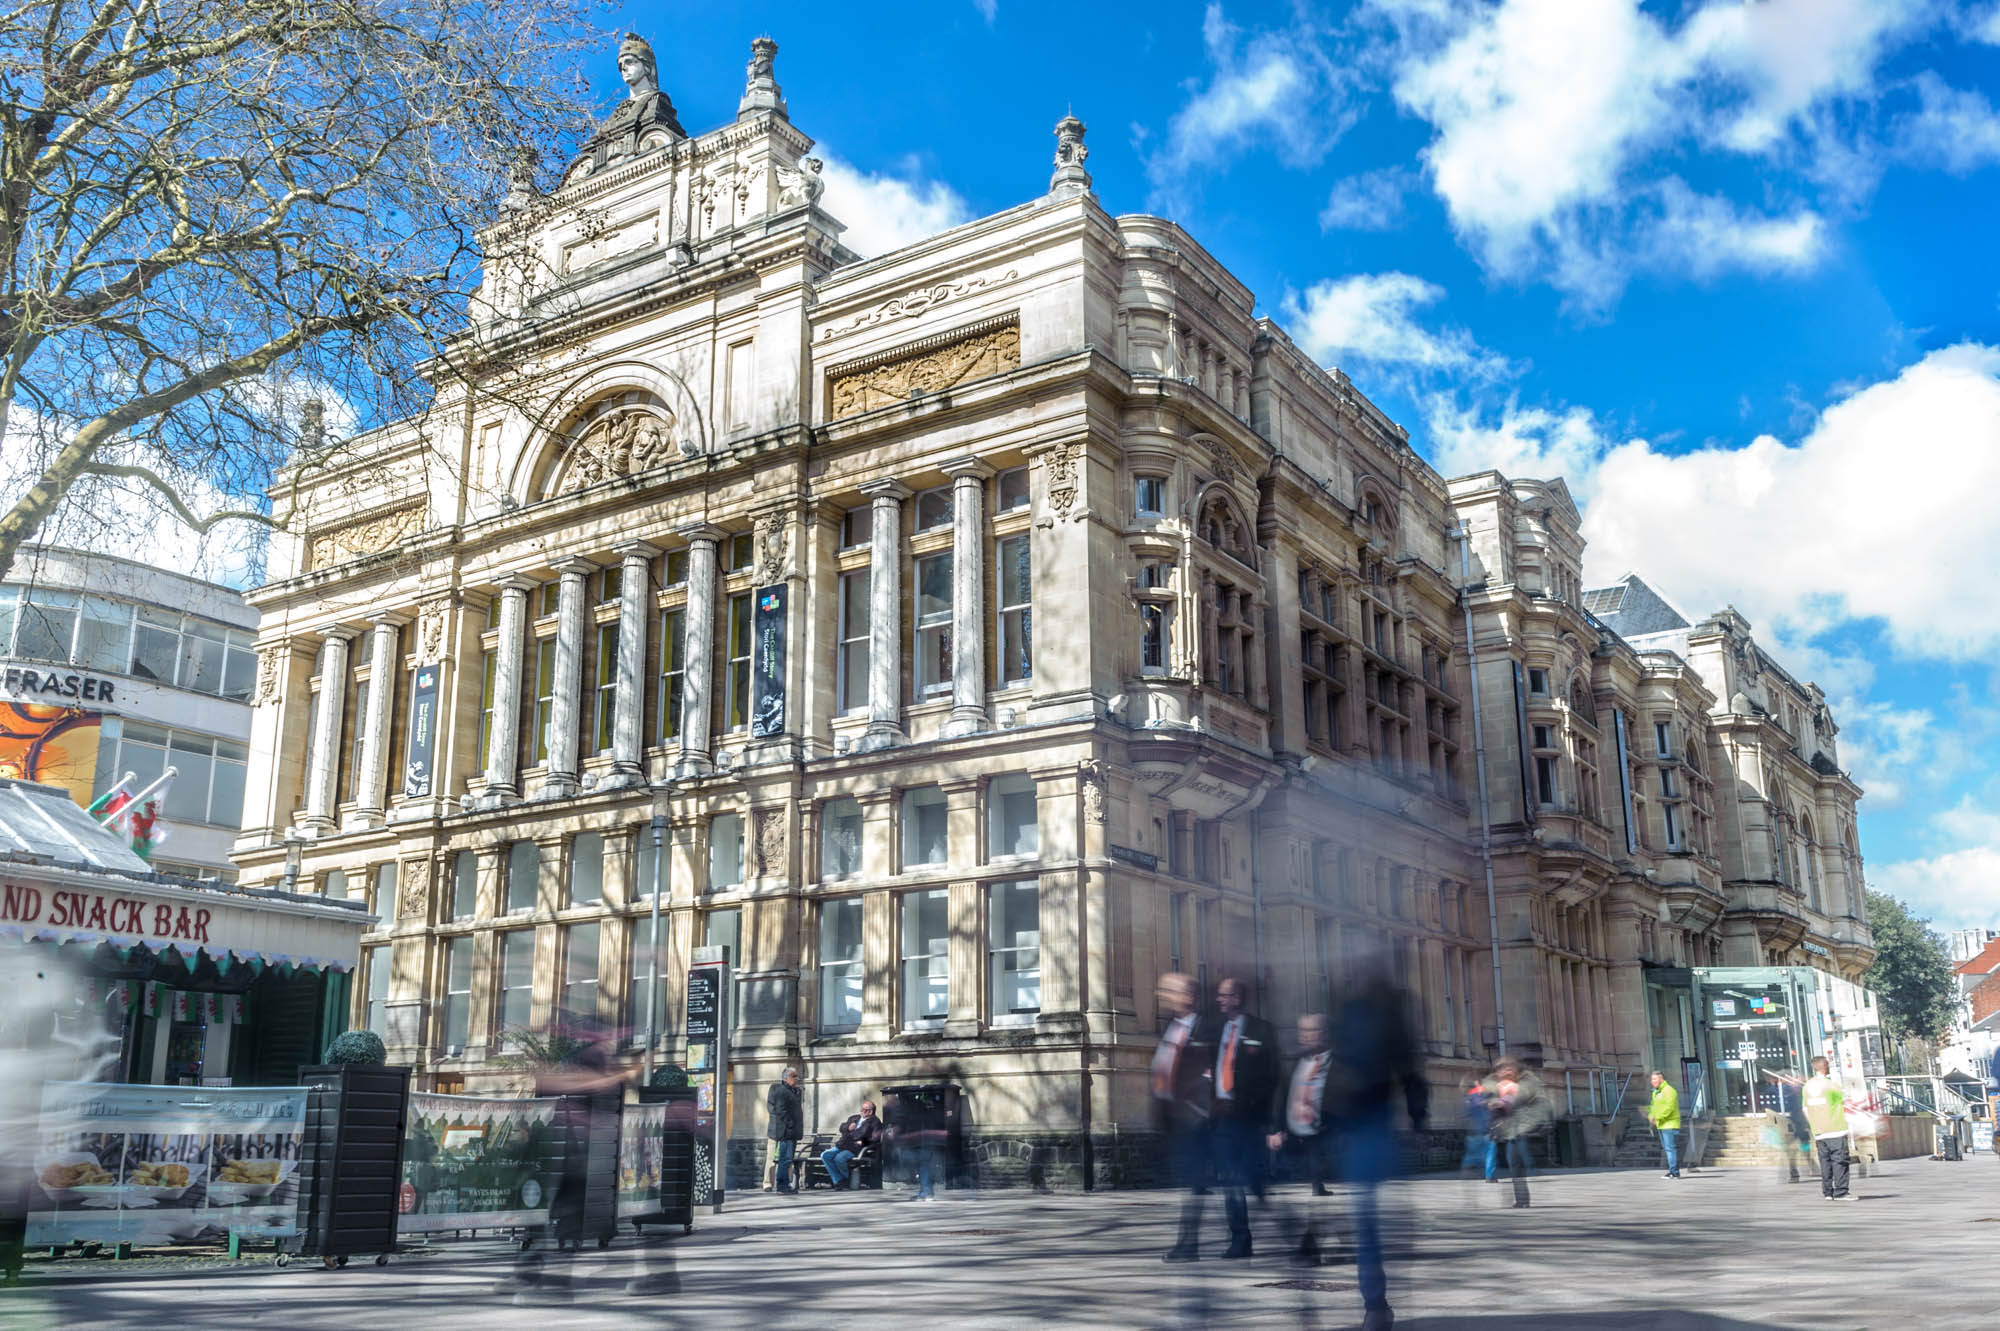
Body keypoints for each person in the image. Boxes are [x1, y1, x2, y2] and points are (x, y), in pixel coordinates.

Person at [1301, 968, 1429, 1331]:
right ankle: (1376, 1303)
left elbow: (1337, 1074)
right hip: (1371, 1125)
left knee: (1367, 1216)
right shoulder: (1385, 1019)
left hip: (1363, 1126)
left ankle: (1376, 1303)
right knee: (1372, 1216)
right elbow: (1411, 1078)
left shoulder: (1355, 1015)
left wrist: (1326, 1119)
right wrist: (1418, 1121)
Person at [1203, 976, 1280, 1259]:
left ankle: (1267, 1200)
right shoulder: (1217, 1031)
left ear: (1237, 998)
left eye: (1224, 996)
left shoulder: (1262, 1029)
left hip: (1249, 1115)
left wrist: (1270, 1120)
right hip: (1223, 1115)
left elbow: (1272, 1076)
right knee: (1230, 1177)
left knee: (1249, 1174)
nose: (1218, 1000)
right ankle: (1240, 1238)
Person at [1153, 972, 1216, 1262]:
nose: (1163, 995)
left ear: (1189, 996)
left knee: (1195, 1183)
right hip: (1178, 1120)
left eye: (1170, 991)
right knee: (1193, 1184)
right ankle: (1189, 1242)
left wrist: (1200, 1109)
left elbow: (1213, 1073)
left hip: (1198, 1118)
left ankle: (1189, 1244)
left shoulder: (1206, 1029)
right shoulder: (1173, 1026)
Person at [1267, 1012, 1334, 1262]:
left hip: (1321, 1137)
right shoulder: (1294, 1062)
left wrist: (1331, 1122)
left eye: (1312, 1031)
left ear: (1326, 1034)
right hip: (1293, 1136)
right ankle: (1303, 1239)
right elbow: (1282, 1096)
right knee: (1282, 1194)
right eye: (1302, 1032)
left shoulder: (1336, 1063)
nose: (1306, 1037)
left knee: (1318, 1199)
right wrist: (1275, 1129)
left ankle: (1310, 1247)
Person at [1485, 1057, 1551, 1209]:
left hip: (1521, 1131)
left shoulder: (1521, 1084)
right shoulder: (1501, 1086)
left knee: (1517, 1164)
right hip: (1510, 1132)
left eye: (1509, 1068)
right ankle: (1521, 1199)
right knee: (1514, 1165)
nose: (1506, 1072)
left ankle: (1523, 1199)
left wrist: (1501, 1103)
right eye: (1502, 1070)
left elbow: (1516, 1098)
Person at [1802, 1056, 1855, 1201]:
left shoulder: (1807, 1087)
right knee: (1840, 1161)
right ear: (1825, 1066)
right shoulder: (1832, 1086)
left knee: (1825, 1162)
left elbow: (1805, 1109)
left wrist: (1814, 1124)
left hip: (1819, 1131)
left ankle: (1827, 1192)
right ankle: (1841, 1192)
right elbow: (1846, 1103)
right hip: (1836, 1128)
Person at [820, 1100, 882, 1190]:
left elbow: (875, 1138)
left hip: (856, 1148)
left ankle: (843, 1181)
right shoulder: (855, 1118)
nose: (861, 1111)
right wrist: (848, 1127)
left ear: (870, 1111)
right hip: (842, 1144)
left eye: (864, 1109)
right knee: (825, 1155)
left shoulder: (875, 1122)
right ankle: (839, 1180)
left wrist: (863, 1142)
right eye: (861, 1108)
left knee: (839, 1158)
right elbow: (841, 1127)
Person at [765, 1066, 803, 1194]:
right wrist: (790, 1124)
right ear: (786, 1078)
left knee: (787, 1159)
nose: (796, 1079)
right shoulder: (781, 1091)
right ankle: (782, 1186)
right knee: (784, 1159)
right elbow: (780, 1110)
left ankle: (784, 1184)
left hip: (793, 1132)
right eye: (794, 1077)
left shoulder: (795, 1091)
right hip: (786, 1131)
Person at [1458, 1075, 1496, 1183]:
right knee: (1490, 1153)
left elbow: (1465, 1115)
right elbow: (1490, 1114)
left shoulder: (1468, 1098)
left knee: (1474, 1154)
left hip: (1473, 1131)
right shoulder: (1485, 1097)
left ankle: (1469, 1172)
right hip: (1485, 1130)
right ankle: (1489, 1176)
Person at [1647, 1070, 1683, 1178]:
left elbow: (1669, 1108)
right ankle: (1674, 1170)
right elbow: (1653, 1107)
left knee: (1670, 1149)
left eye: (1654, 1079)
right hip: (1662, 1125)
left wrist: (1657, 1117)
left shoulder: (1669, 1090)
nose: (1652, 1081)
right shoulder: (1656, 1092)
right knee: (1668, 1148)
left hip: (1670, 1124)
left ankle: (1674, 1172)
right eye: (1651, 1079)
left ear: (1661, 1079)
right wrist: (1651, 1115)